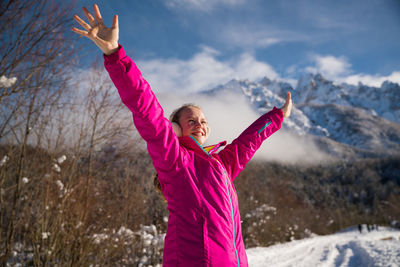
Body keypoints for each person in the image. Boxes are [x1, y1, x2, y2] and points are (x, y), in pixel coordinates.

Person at [73, 4, 293, 267]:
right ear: (176, 128)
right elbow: (146, 109)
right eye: (190, 120)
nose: (199, 124)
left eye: (202, 120)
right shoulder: (175, 161)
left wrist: (277, 117)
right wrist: (114, 54)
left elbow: (248, 142)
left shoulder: (220, 165)